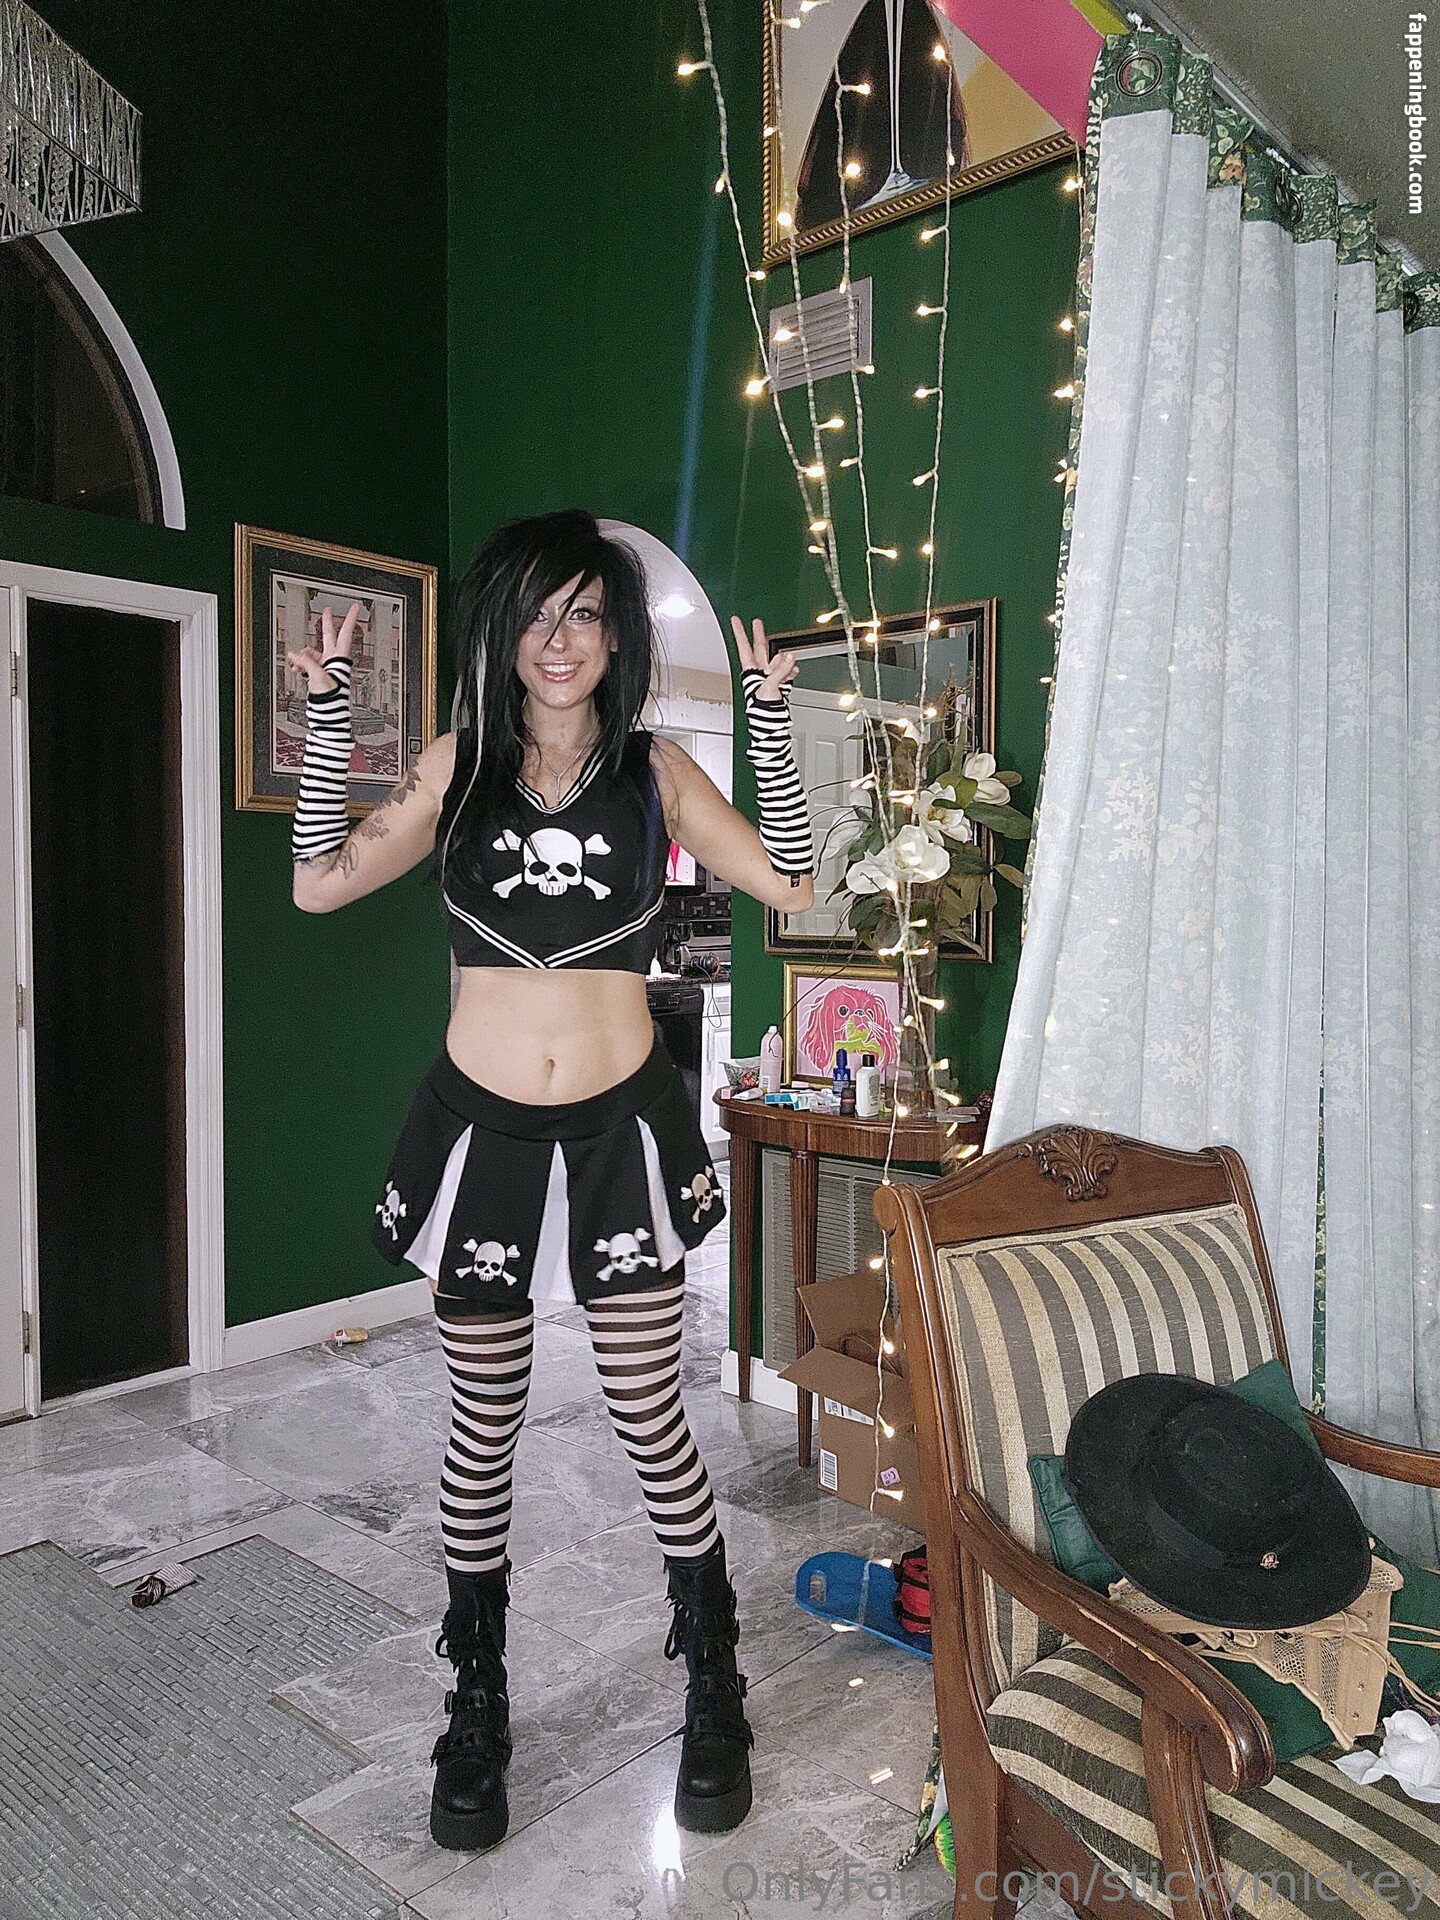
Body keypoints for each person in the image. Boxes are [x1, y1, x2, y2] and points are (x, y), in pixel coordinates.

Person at [287, 509, 815, 1854]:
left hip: (622, 1136)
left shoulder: (657, 772)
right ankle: (477, 1699)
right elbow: (320, 884)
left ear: (617, 635)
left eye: (585, 611)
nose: (560, 638)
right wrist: (330, 718)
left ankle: (713, 1682)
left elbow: (794, 890)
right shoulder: (459, 767)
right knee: (483, 1428)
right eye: (536, 612)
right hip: (479, 1143)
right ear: (502, 632)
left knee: (650, 1414)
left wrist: (771, 733)